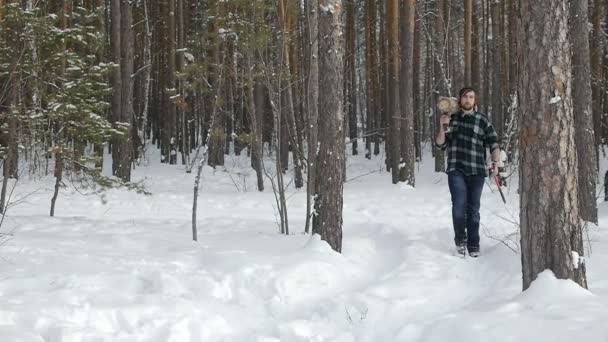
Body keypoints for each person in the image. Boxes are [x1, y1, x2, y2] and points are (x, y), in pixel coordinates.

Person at [435, 87, 500, 257]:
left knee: (473, 210)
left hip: (477, 170)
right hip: (456, 168)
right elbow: (440, 144)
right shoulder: (452, 119)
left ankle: (474, 245)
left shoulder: (482, 120)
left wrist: (495, 162)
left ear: (474, 100)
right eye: (465, 96)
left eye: (471, 97)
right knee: (458, 206)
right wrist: (442, 127)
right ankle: (460, 241)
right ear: (460, 99)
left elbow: (493, 141)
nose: (468, 100)